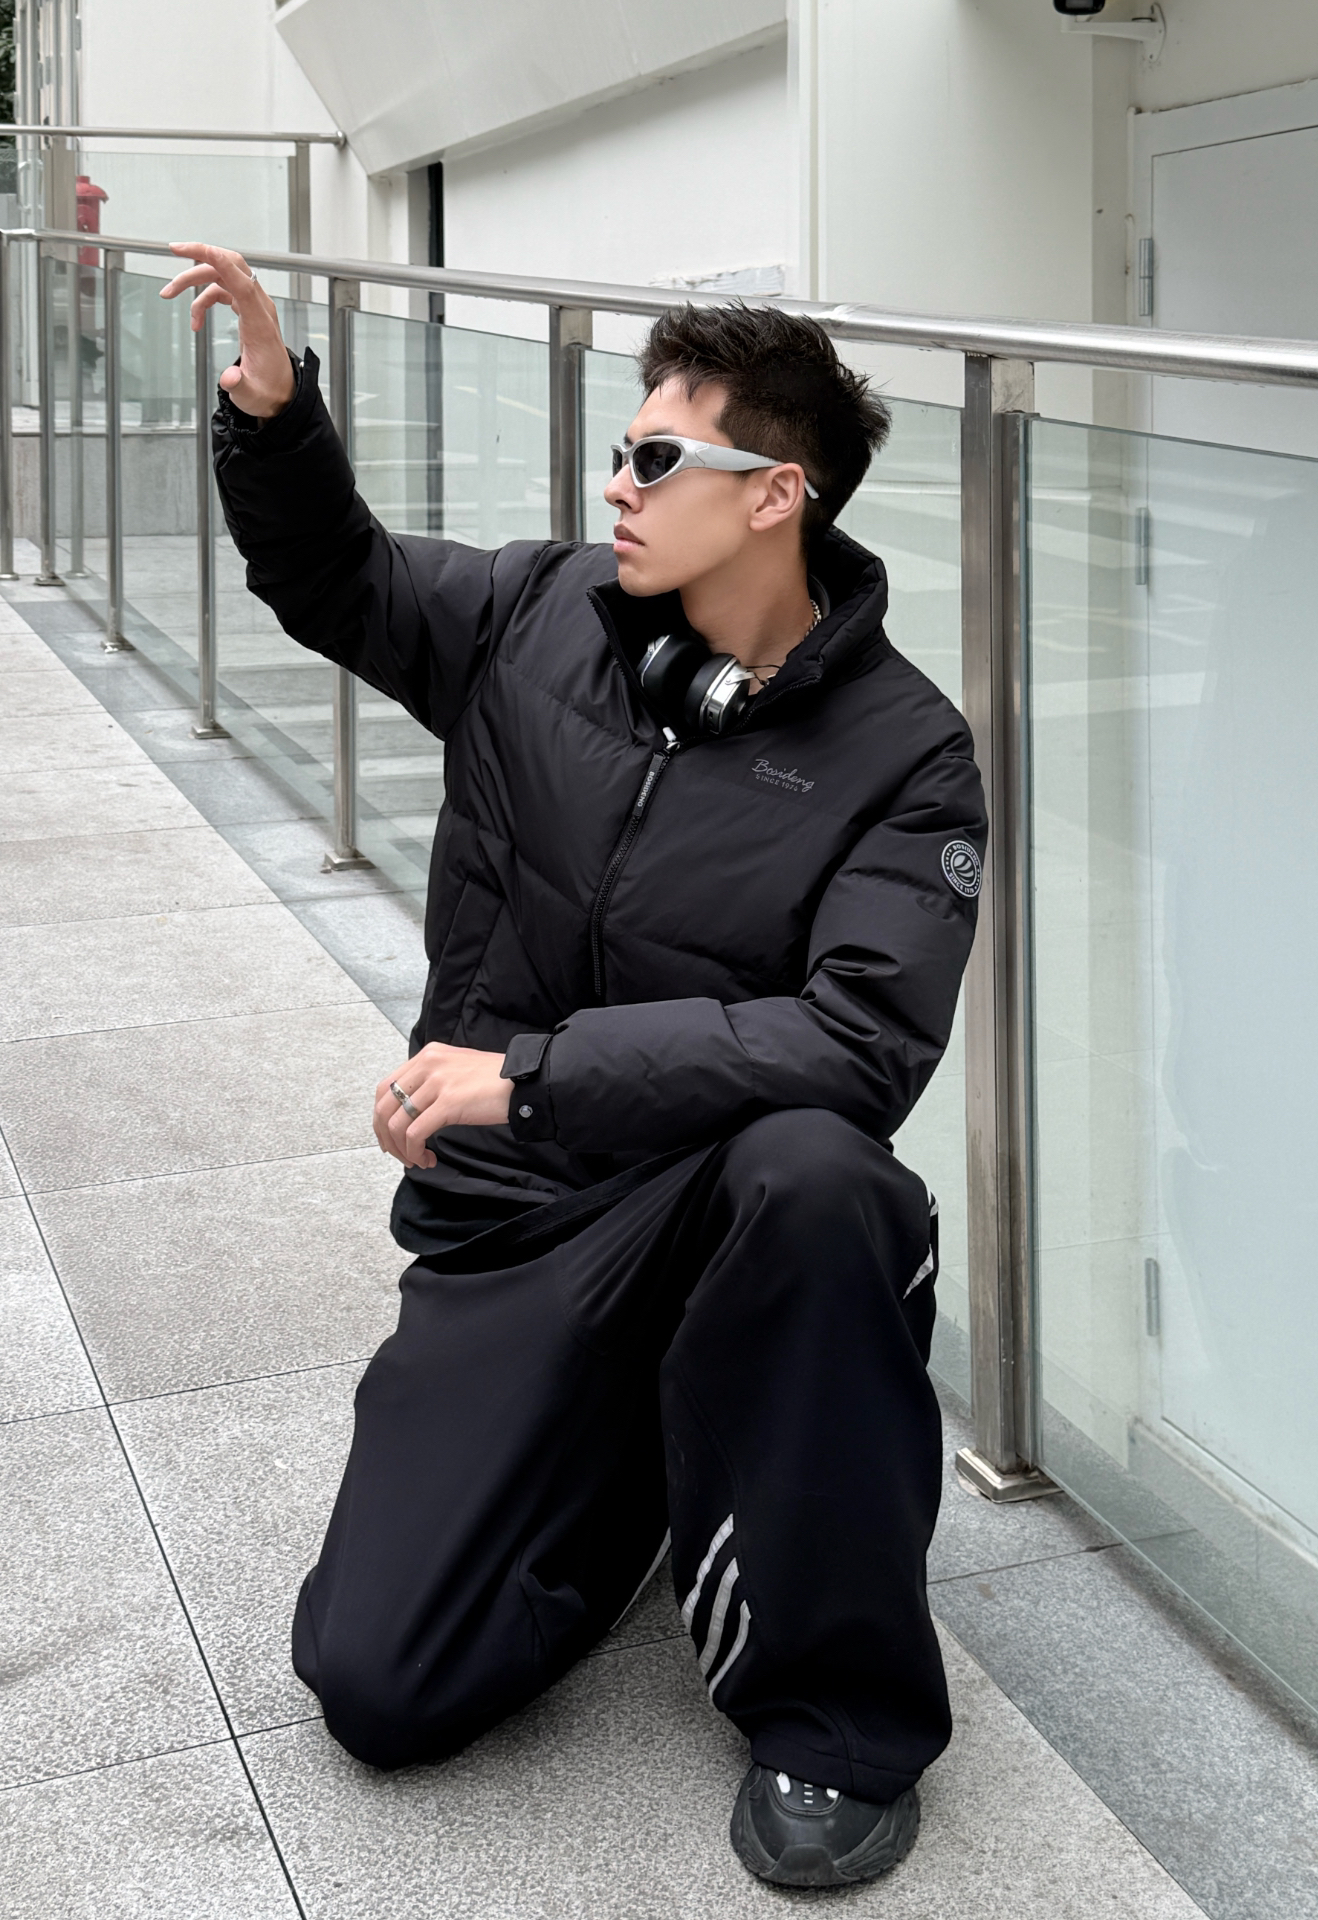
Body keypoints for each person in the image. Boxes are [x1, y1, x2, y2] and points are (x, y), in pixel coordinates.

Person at [161, 240, 987, 1890]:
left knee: (826, 1178)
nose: (617, 484)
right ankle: (653, 1465)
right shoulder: (535, 615)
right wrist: (271, 409)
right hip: (519, 1223)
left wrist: (531, 1074)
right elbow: (339, 577)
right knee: (380, 1681)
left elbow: (860, 1040)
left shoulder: (907, 756)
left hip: (712, 1196)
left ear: (777, 495)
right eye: (622, 450)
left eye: (657, 458)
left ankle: (839, 1719)